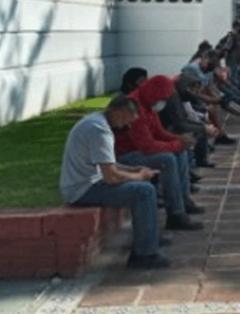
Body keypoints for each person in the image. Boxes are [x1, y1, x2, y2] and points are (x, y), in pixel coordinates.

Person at [60, 94, 170, 269]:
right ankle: (144, 254)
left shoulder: (96, 122)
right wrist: (139, 177)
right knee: (144, 191)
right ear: (119, 111)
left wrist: (132, 170)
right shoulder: (100, 131)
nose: (128, 125)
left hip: (85, 183)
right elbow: (110, 177)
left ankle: (150, 237)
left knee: (145, 186)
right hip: (83, 190)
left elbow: (106, 163)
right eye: (128, 119)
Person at [114, 75, 204, 230]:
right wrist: (177, 144)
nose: (161, 102)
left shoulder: (148, 104)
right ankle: (176, 214)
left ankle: (183, 199)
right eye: (161, 98)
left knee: (179, 152)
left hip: (139, 150)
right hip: (124, 156)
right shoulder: (134, 107)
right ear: (154, 92)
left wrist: (180, 140)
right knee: (167, 159)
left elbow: (159, 132)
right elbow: (147, 146)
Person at [217, 21, 240, 91]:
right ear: (235, 27)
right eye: (239, 26)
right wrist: (226, 63)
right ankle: (234, 93)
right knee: (233, 78)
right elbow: (227, 50)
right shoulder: (232, 38)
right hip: (233, 61)